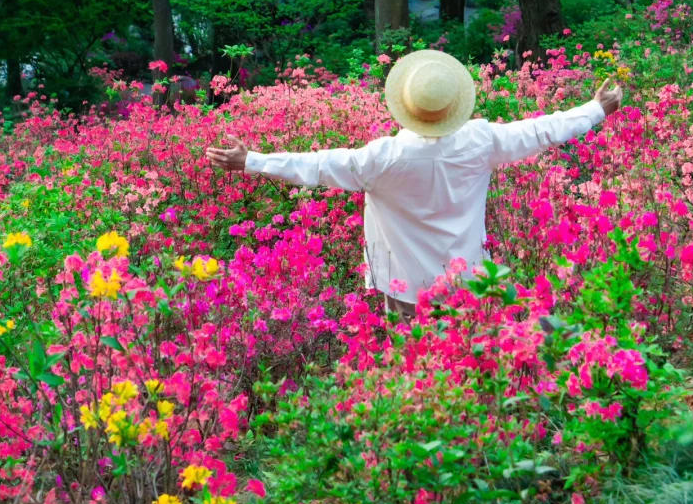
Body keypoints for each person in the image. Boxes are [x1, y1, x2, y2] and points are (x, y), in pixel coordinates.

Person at [206, 48, 622, 310]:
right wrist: (596, 109)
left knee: (413, 379)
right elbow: (541, 130)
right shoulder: (482, 140)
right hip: (468, 281)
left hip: (403, 289)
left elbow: (314, 167)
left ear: (404, 105)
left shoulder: (382, 158)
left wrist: (253, 160)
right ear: (454, 104)